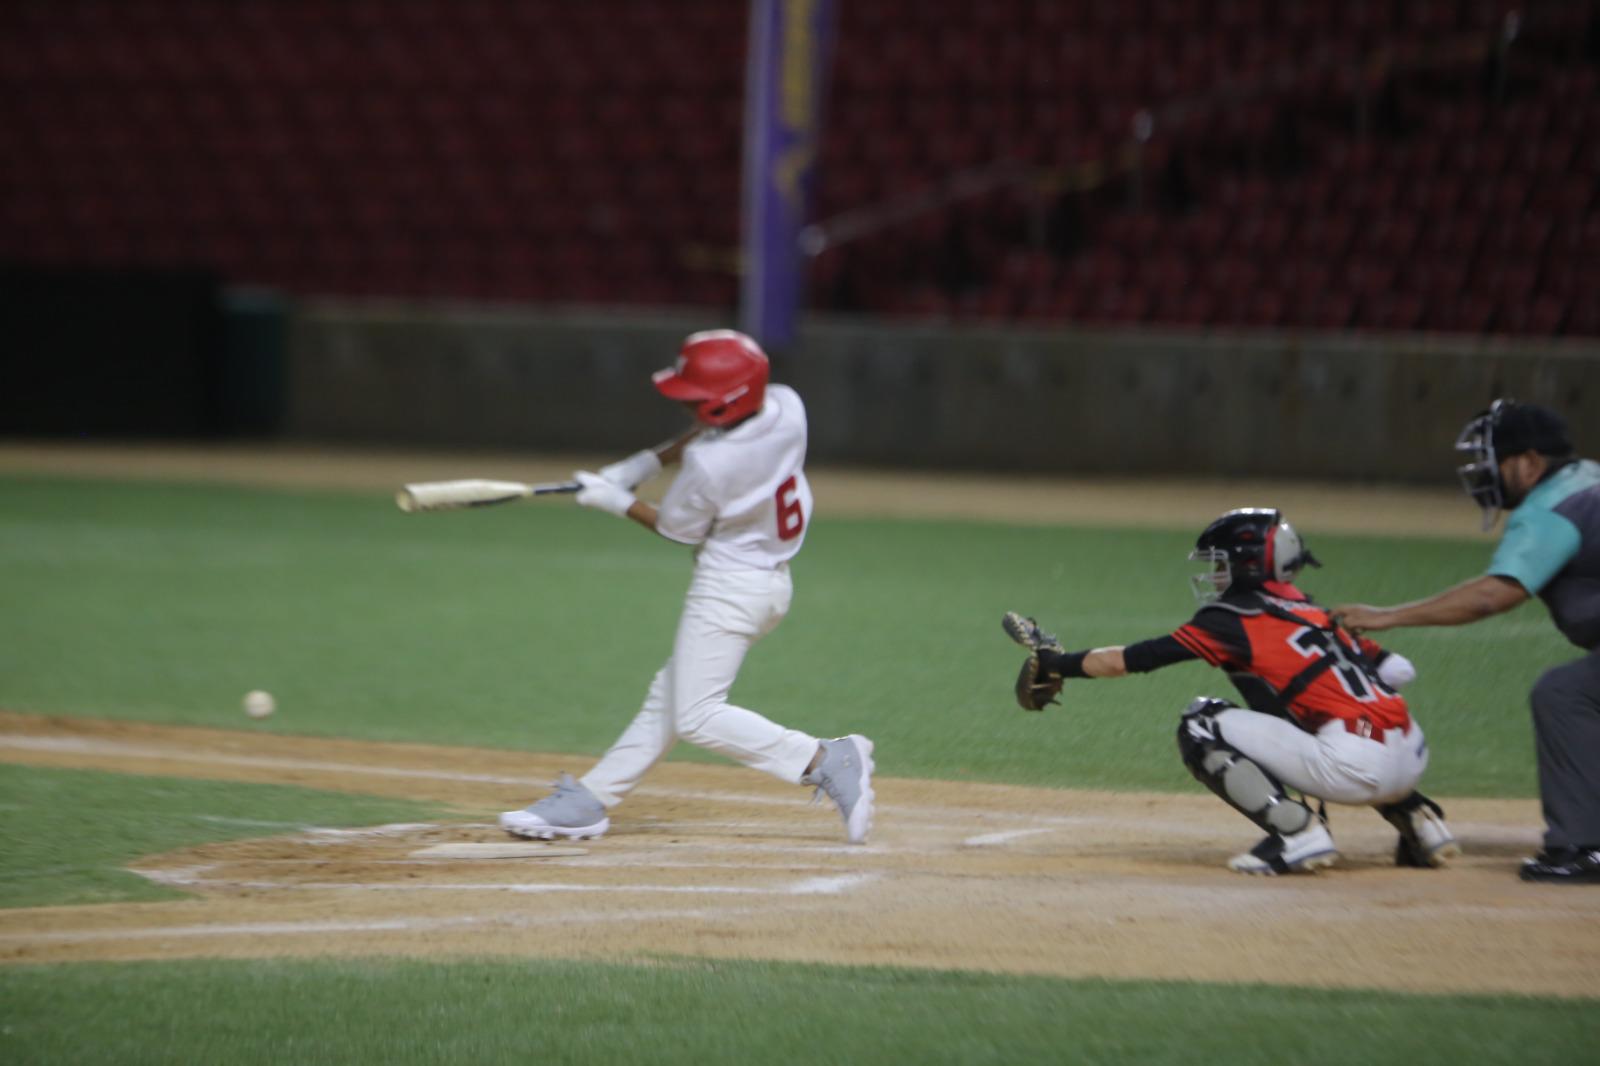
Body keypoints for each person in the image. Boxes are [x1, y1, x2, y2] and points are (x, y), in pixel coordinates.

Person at [499, 329, 876, 845]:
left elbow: (677, 529)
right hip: (768, 584)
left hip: (728, 591)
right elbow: (709, 430)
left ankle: (825, 757)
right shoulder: (787, 405)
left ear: (727, 401)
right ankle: (592, 800)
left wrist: (612, 497)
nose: (691, 406)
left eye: (699, 398)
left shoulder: (712, 466)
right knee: (671, 697)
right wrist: (646, 463)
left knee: (697, 715)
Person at [1005, 507, 1458, 876]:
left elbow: (1128, 660)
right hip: (1411, 751)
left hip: (1355, 765)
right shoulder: (1312, 611)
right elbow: (1400, 670)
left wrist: (1056, 662)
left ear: (1247, 564)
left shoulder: (1232, 618)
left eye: (1221, 563)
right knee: (1294, 701)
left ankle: (1297, 833)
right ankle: (1420, 822)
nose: (1216, 574)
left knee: (1200, 722)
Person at [1336, 399, 1600, 884]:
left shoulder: (1552, 508)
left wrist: (1389, 616)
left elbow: (1492, 595)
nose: (1485, 472)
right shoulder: (1589, 479)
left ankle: (1582, 848)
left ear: (1529, 462)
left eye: (1494, 459)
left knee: (1567, 695)